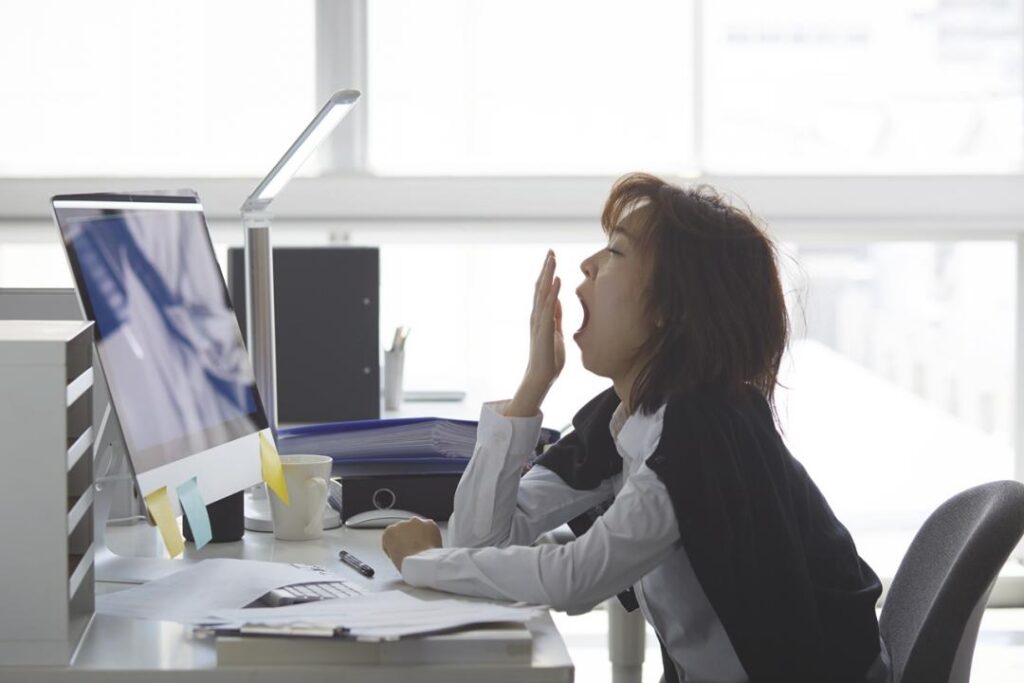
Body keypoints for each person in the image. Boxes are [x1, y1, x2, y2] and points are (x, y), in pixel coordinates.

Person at [382, 172, 890, 683]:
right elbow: (480, 541)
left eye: (616, 252)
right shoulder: (627, 415)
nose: (588, 264)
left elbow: (576, 577)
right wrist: (532, 385)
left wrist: (425, 562)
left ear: (671, 306)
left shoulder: (706, 429)